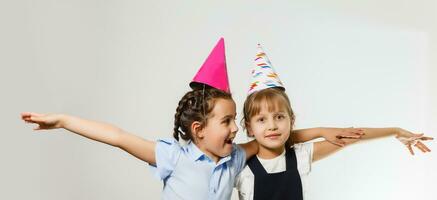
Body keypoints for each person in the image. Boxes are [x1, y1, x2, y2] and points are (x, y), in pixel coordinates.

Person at [21, 38, 360, 200]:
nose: (235, 128)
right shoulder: (175, 156)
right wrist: (64, 120)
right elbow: (118, 136)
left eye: (234, 122)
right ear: (198, 130)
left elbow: (278, 137)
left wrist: (325, 131)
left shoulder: (236, 158)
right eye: (227, 122)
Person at [235, 44, 433, 200]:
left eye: (279, 117)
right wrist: (319, 131)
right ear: (249, 128)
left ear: (291, 120)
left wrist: (396, 131)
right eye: (261, 119)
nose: (272, 125)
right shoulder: (238, 166)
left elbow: (353, 136)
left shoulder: (300, 156)